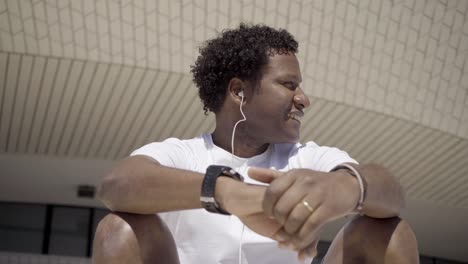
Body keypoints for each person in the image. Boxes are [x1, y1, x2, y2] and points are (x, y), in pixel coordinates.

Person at [92, 23, 419, 264]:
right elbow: (116, 185)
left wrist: (346, 188)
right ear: (239, 92)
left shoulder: (307, 159)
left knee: (385, 231)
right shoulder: (182, 154)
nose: (304, 99)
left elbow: (392, 194)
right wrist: (229, 193)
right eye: (289, 85)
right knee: (118, 228)